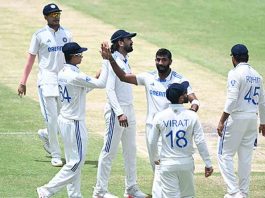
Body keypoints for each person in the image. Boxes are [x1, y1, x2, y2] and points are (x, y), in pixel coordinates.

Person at [101, 44, 200, 197]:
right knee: (157, 166)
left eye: (164, 60)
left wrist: (191, 113)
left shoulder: (180, 80)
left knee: (164, 167)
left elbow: (194, 100)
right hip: (152, 128)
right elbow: (123, 77)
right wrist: (111, 60)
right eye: (158, 60)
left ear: (170, 62)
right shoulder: (148, 77)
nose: (160, 63)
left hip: (169, 129)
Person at [37, 42, 108, 198]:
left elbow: (81, 91)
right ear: (73, 56)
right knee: (77, 162)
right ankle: (47, 190)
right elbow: (102, 84)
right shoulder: (75, 75)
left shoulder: (63, 72)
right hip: (74, 122)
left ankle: (74, 194)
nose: (81, 56)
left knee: (72, 160)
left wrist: (94, 78)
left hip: (65, 119)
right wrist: (106, 61)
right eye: (79, 54)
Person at [93, 30, 147, 198]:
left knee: (131, 150)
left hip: (128, 110)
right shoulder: (112, 60)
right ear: (121, 42)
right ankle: (100, 192)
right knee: (108, 152)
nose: (132, 41)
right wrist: (119, 113)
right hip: (117, 113)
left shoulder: (124, 60)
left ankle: (131, 188)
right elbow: (109, 90)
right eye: (129, 39)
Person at [17, 3, 73, 167]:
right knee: (51, 118)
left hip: (62, 80)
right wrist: (23, 82)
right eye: (52, 15)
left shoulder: (67, 34)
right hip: (46, 80)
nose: (56, 17)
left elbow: (72, 57)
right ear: (46, 17)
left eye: (58, 14)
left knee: (63, 118)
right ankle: (56, 154)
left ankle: (46, 134)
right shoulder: (39, 35)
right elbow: (30, 60)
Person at [217, 44, 265, 198]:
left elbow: (231, 99)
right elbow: (262, 102)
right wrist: (263, 123)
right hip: (252, 118)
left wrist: (222, 120)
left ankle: (234, 191)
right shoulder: (258, 75)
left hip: (236, 117)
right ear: (247, 56)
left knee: (224, 155)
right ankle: (243, 192)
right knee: (245, 157)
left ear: (234, 58)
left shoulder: (235, 73)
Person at [149, 82, 213, 198]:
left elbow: (152, 141)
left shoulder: (159, 116)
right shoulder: (192, 116)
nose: (186, 95)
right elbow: (200, 141)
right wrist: (208, 163)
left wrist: (155, 158)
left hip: (167, 164)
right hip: (186, 163)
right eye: (185, 93)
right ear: (181, 98)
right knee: (188, 196)